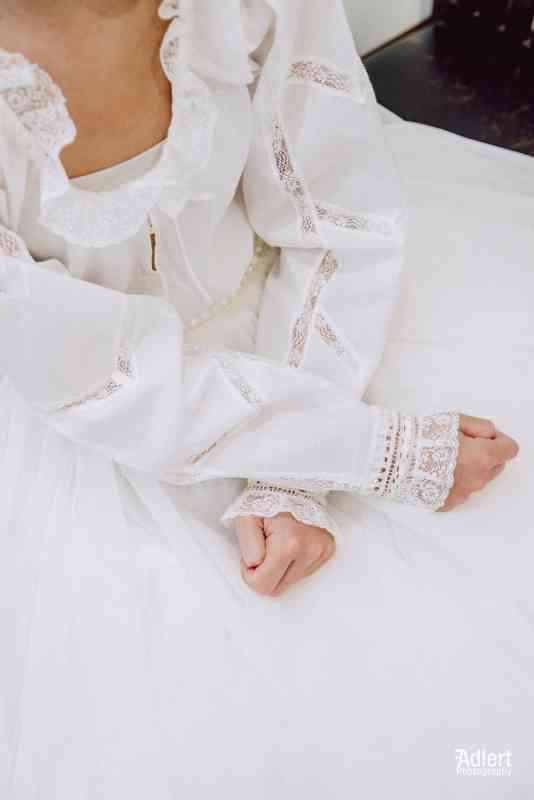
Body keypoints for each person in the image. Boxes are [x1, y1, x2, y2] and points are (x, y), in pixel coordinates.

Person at [0, 1, 532, 797]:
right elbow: (91, 375)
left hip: (312, 310)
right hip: (75, 417)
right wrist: (367, 449)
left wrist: (294, 474)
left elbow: (336, 210)